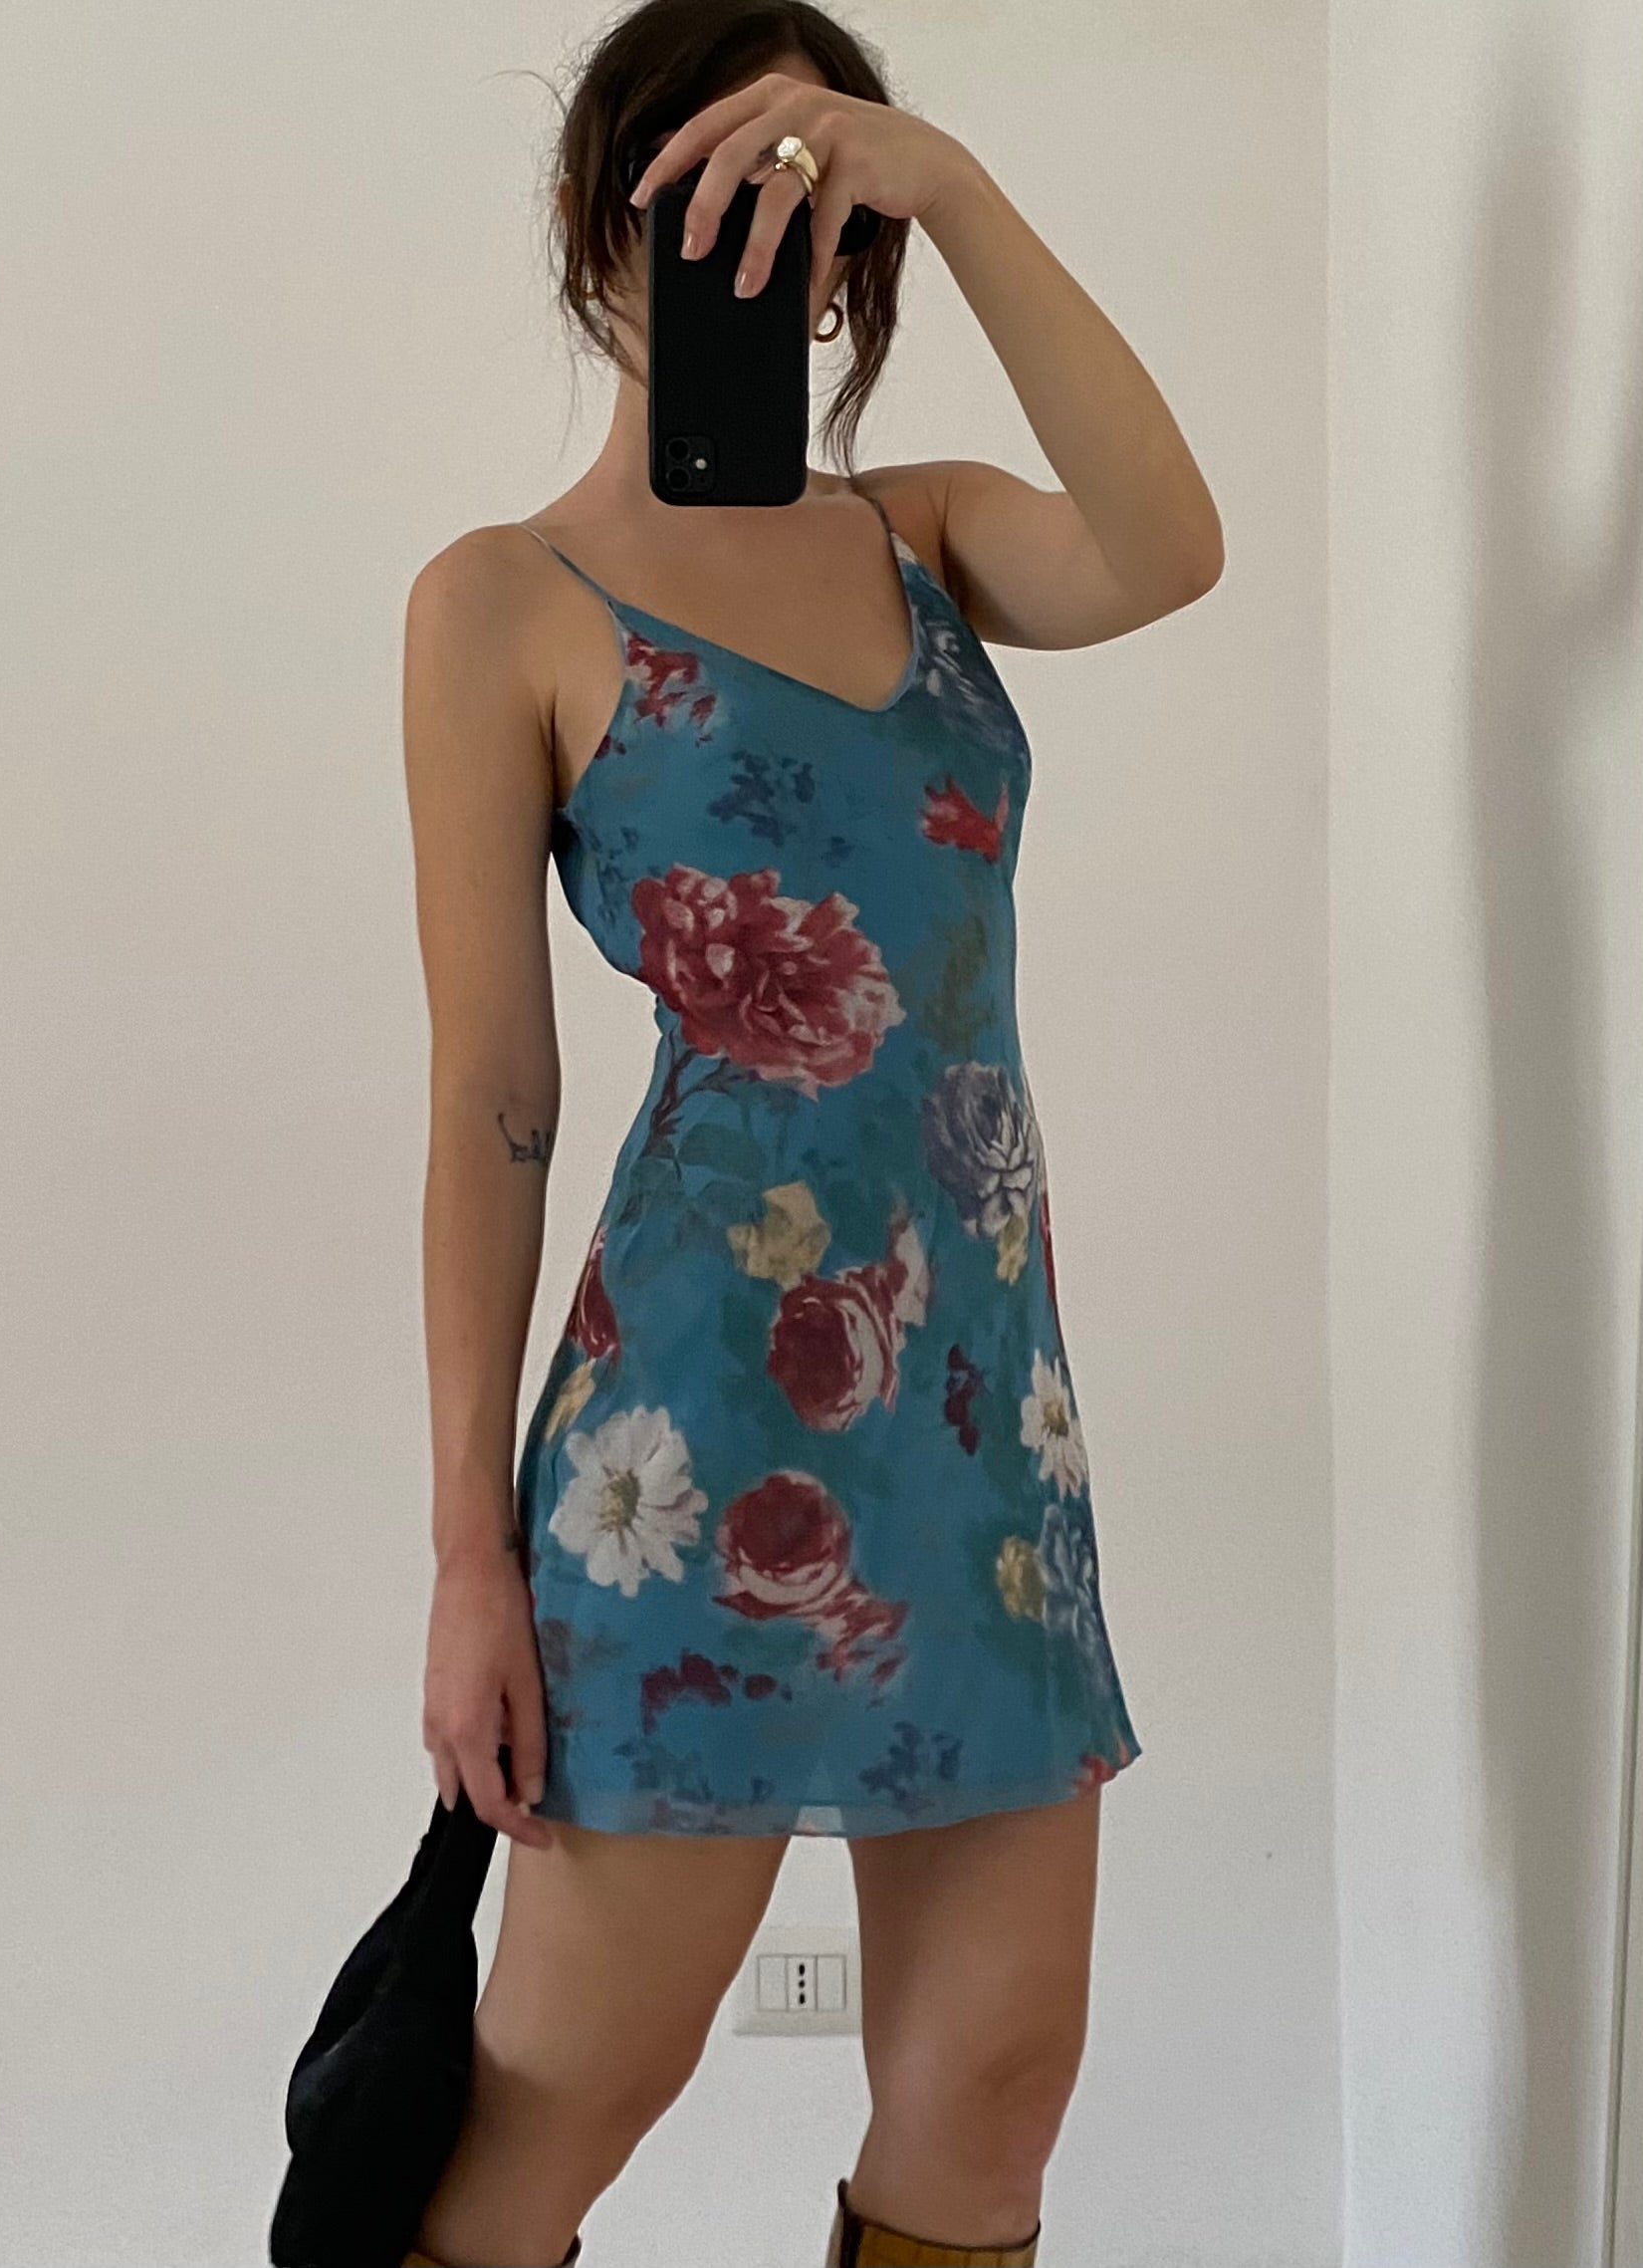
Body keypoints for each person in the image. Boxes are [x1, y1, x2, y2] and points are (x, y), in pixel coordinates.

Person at [398, 5, 1222, 2263]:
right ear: (594, 218)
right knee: (564, 2095)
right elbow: (492, 1098)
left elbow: (1165, 545)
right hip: (683, 1438)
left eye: (804, 205)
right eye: (695, 199)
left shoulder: (926, 536)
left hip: (975, 1423)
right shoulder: (501, 601)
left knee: (992, 2089)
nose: (753, 252)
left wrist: (945, 181)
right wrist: (469, 1553)